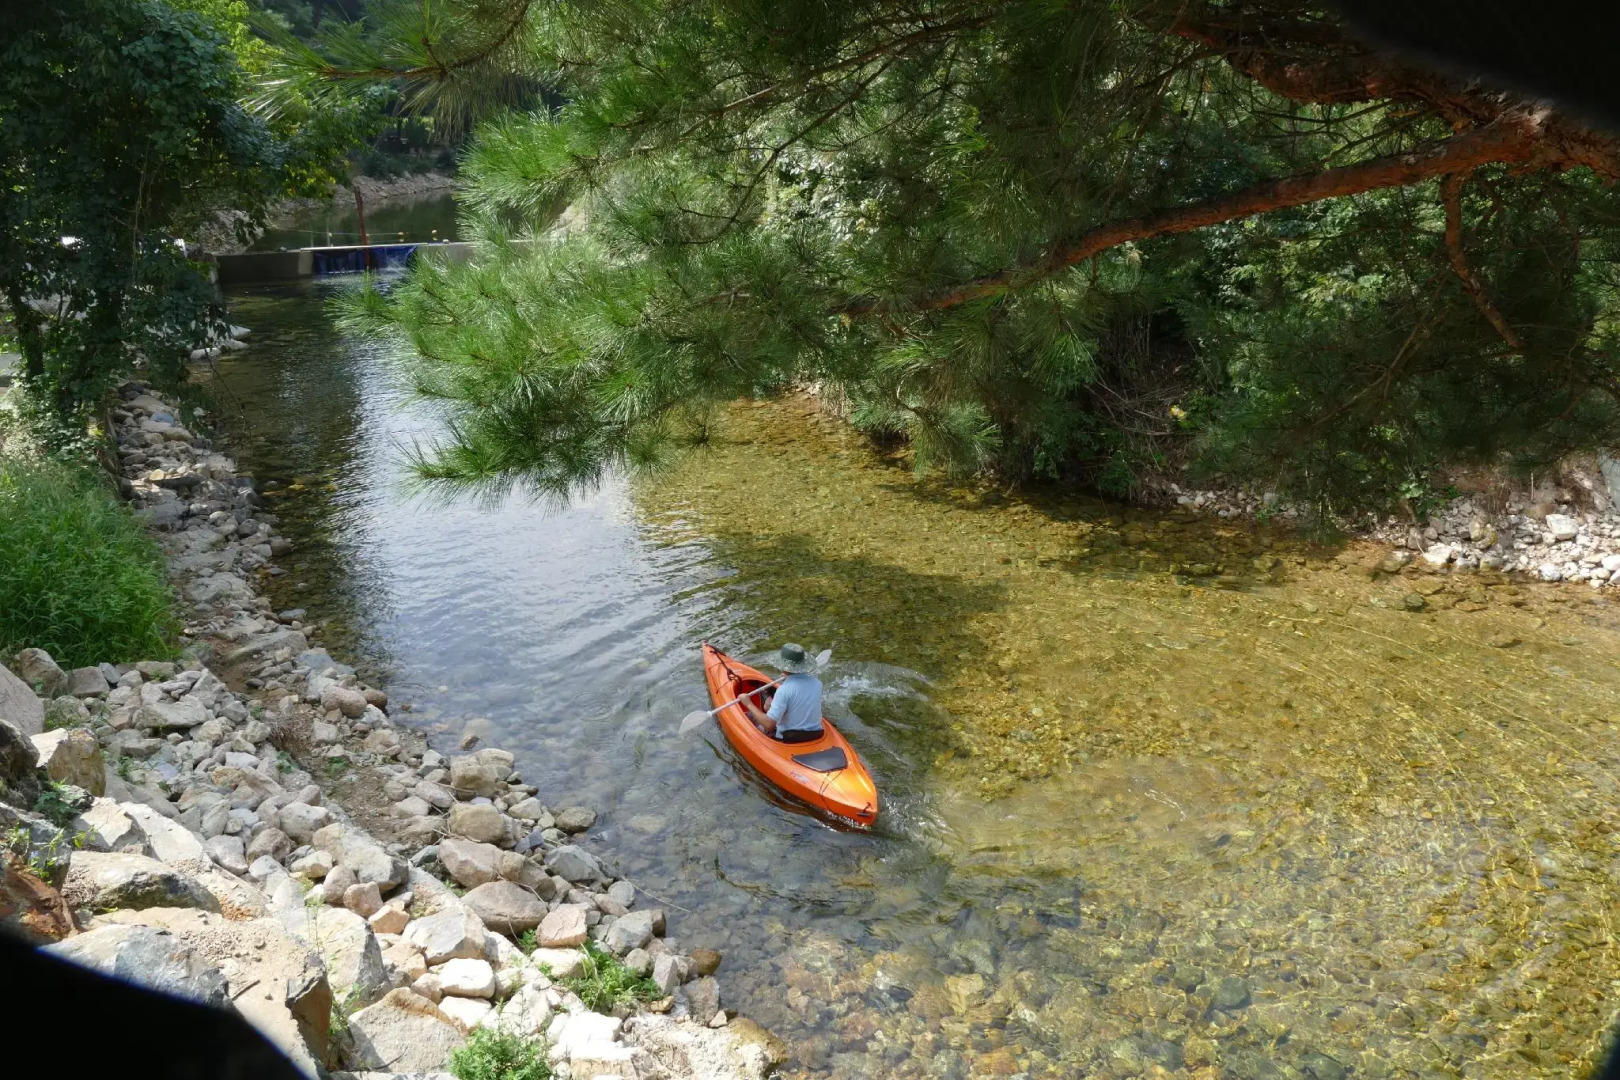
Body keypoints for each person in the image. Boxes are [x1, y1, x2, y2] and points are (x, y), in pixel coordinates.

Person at [742, 642, 824, 743]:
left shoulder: (784, 690)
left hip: (789, 738)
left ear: (784, 666)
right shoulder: (817, 683)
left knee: (747, 716)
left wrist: (748, 703)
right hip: (816, 734)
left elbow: (769, 724)